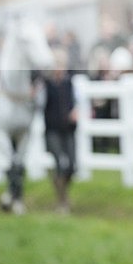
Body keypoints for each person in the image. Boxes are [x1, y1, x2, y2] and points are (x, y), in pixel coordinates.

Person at [43, 48, 77, 214]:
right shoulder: (46, 85)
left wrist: (75, 112)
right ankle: (61, 199)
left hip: (69, 129)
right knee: (60, 164)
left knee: (72, 165)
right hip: (53, 130)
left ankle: (63, 191)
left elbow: (76, 102)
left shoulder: (69, 83)